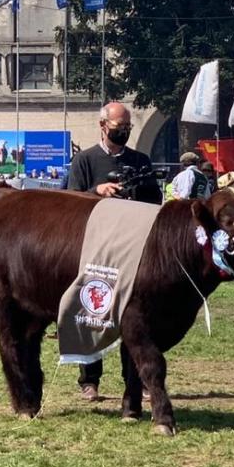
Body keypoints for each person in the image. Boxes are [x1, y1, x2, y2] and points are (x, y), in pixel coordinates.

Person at [67, 101, 163, 402]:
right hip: (96, 247)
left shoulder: (141, 160)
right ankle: (89, 379)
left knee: (135, 317)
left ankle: (136, 380)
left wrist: (134, 191)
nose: (122, 133)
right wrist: (97, 192)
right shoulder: (84, 160)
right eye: (117, 128)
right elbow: (71, 200)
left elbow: (154, 201)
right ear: (102, 126)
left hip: (133, 247)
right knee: (93, 311)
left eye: (127, 129)